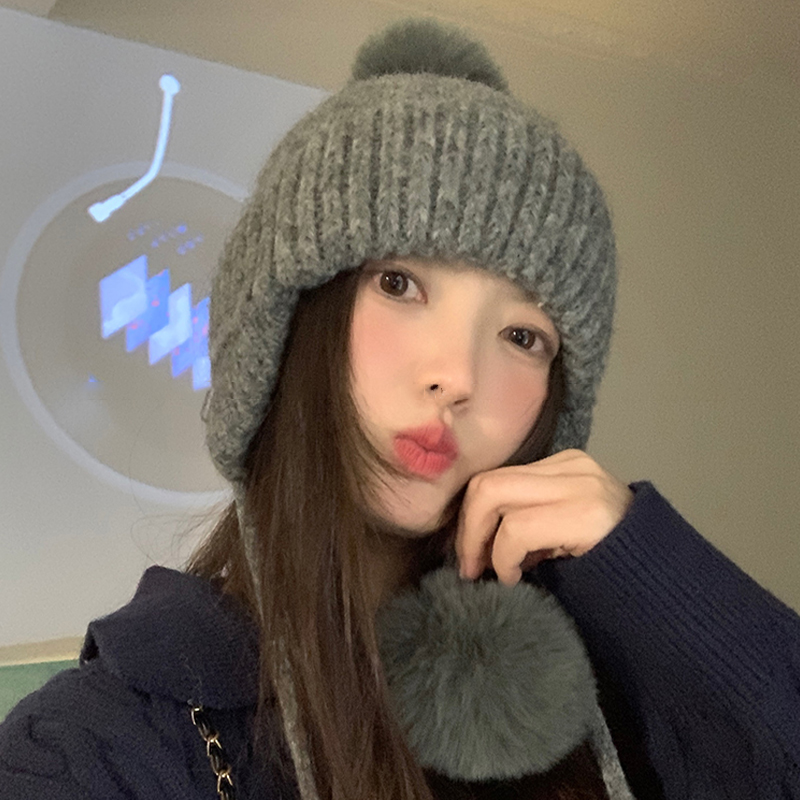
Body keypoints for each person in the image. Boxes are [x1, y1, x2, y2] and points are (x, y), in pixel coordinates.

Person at [1, 17, 799, 800]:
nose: (457, 377)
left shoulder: (614, 690)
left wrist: (648, 560)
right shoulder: (94, 748)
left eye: (523, 335)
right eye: (399, 284)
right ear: (285, 321)